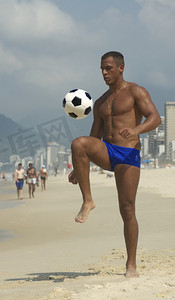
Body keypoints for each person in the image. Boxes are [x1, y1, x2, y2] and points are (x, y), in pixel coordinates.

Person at [68, 51, 161, 278]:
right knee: (79, 144)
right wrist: (80, 167)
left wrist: (136, 130)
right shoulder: (100, 102)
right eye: (101, 68)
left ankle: (131, 264)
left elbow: (155, 118)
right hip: (108, 151)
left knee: (127, 208)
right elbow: (94, 137)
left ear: (121, 68)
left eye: (108, 68)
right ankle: (88, 200)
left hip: (128, 153)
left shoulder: (135, 91)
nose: (104, 73)